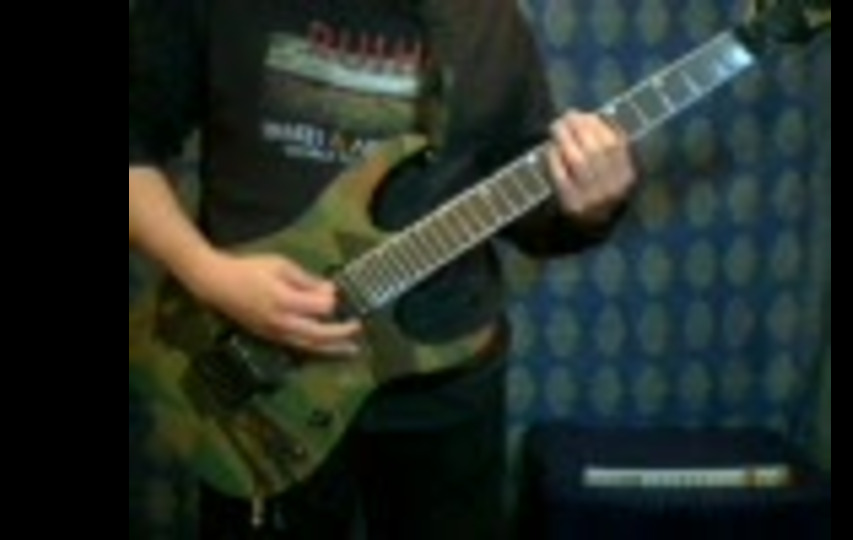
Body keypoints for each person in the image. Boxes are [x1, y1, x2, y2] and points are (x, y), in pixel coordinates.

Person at [129, 0, 641, 538]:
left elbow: (532, 215)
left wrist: (589, 205)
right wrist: (208, 273)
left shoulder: (489, 21)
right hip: (258, 368)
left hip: (442, 380)